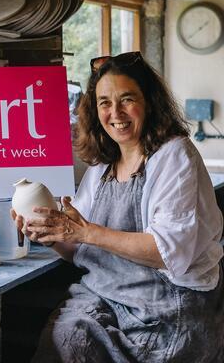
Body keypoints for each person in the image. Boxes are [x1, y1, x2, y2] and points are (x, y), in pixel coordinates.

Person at [12, 51, 224, 362]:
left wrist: (86, 232)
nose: (116, 112)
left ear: (149, 102)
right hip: (105, 298)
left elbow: (168, 252)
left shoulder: (174, 155)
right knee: (66, 339)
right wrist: (51, 237)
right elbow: (82, 249)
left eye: (127, 99)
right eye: (105, 103)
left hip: (168, 306)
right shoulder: (102, 166)